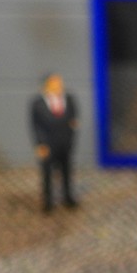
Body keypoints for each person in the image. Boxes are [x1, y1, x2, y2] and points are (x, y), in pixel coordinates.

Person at [30, 73, 79, 212]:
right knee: (47, 172)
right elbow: (35, 126)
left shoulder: (69, 100)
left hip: (65, 142)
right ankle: (48, 200)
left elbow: (74, 120)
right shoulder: (37, 104)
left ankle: (67, 197)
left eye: (59, 83)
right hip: (48, 143)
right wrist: (40, 144)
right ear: (46, 86)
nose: (58, 86)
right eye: (54, 84)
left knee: (66, 171)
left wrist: (71, 137)